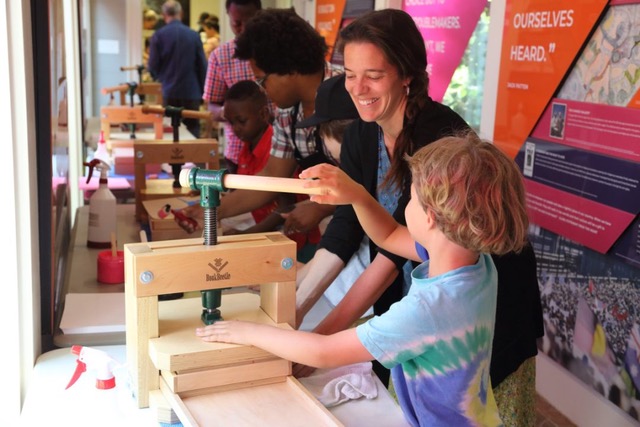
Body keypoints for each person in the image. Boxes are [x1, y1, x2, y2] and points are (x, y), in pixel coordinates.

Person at [293, 9, 544, 426]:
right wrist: (300, 309)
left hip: (484, 308)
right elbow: (352, 224)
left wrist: (320, 341)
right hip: (424, 304)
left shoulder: (440, 141)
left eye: (373, 74)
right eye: (348, 74)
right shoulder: (361, 131)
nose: (358, 88)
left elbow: (394, 250)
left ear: (406, 74)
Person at [196, 132, 531, 427]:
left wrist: (244, 331)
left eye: (411, 197)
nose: (406, 204)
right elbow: (388, 235)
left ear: (430, 218)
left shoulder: (427, 310)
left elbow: (324, 352)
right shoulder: (474, 263)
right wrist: (356, 194)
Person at [187, 8, 344, 237]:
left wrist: (324, 207)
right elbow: (272, 176)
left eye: (262, 79)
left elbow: (375, 182)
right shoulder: (287, 111)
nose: (261, 88)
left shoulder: (349, 97)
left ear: (288, 69)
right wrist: (212, 210)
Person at [220, 80, 319, 262]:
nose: (235, 129)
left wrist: (247, 234)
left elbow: (284, 206)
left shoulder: (274, 148)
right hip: (261, 225)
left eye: (241, 121)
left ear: (264, 113)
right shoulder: (247, 146)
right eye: (231, 122)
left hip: (292, 235)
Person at [202, 0, 262, 174]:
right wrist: (228, 114)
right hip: (238, 151)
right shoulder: (220, 56)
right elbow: (211, 106)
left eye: (248, 22)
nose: (242, 28)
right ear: (228, 16)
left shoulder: (274, 49)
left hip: (278, 150)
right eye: (236, 23)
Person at [147, 0, 207, 138]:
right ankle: (192, 159)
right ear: (181, 13)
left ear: (164, 15)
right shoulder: (193, 35)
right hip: (192, 92)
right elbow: (202, 66)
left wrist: (161, 77)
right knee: (192, 132)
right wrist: (204, 92)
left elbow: (153, 67)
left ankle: (174, 159)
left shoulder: (158, 36)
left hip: (169, 91)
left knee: (171, 132)